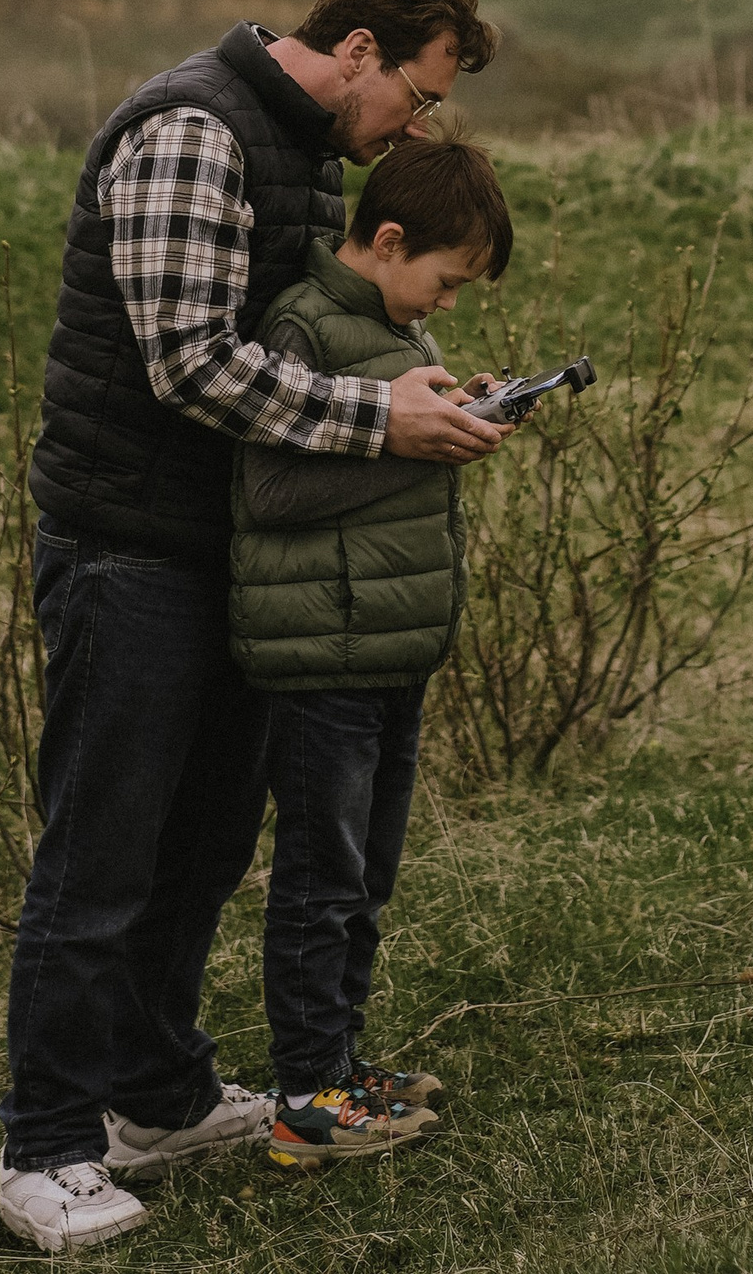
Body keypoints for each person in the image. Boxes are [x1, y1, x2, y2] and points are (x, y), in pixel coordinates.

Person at [0, 0, 508, 1259]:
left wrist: (421, 382)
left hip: (225, 552)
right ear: (357, 50)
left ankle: (157, 1099)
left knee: (203, 846)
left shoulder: (305, 155)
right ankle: (47, 1143)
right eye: (418, 95)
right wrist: (380, 420)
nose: (416, 127)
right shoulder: (191, 130)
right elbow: (190, 363)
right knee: (101, 858)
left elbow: (301, 333)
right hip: (128, 548)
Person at [224, 132, 517, 1154]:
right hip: (323, 656)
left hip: (390, 648)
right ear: (387, 240)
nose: (443, 304)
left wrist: (455, 409)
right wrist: (421, 446)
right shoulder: (302, 325)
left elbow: (394, 437)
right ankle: (305, 1092)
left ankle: (340, 1064)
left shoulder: (400, 334)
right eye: (443, 281)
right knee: (322, 873)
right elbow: (271, 487)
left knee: (368, 870)